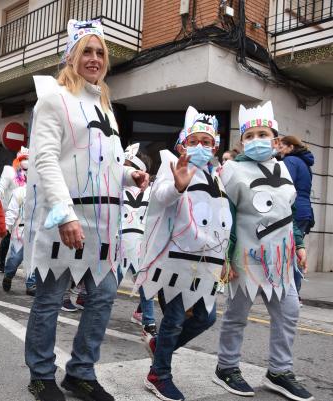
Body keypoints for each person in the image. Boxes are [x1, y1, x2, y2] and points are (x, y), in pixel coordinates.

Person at [23, 19, 149, 401]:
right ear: (72, 57)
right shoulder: (54, 99)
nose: (94, 59)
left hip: (106, 225)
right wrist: (64, 214)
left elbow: (100, 164)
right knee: (48, 300)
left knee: (103, 297)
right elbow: (45, 159)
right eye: (87, 52)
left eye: (100, 53)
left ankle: (81, 372)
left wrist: (130, 176)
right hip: (69, 220)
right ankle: (41, 374)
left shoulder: (106, 106)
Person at [214, 101, 313, 401]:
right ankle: (226, 366)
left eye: (263, 134)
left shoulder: (284, 168)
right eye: (251, 135)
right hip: (245, 259)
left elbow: (291, 211)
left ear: (275, 138)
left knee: (289, 313)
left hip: (281, 261)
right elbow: (225, 216)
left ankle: (279, 371)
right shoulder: (232, 170)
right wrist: (224, 258)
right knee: (237, 315)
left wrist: (300, 245)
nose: (257, 140)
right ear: (242, 141)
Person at [135, 107, 231, 401]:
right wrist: (177, 186)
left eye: (206, 141)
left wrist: (225, 258)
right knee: (175, 319)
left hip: (206, 265)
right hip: (175, 261)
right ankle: (159, 374)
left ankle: (160, 346)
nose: (200, 147)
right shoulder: (172, 164)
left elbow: (221, 220)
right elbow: (160, 198)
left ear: (214, 147)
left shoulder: (217, 176)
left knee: (206, 317)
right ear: (182, 144)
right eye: (194, 141)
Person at [121, 144, 156, 340]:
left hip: (141, 242)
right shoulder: (115, 188)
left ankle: (148, 321)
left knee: (145, 280)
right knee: (109, 282)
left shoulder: (152, 191)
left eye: (129, 165)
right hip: (118, 242)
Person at [277, 135, 315, 299]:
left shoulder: (290, 161)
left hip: (295, 210)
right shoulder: (305, 163)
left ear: (291, 147)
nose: (279, 149)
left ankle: (293, 293)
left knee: (291, 252)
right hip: (305, 211)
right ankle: (293, 291)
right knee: (295, 250)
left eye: (281, 146)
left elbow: (284, 185)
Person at [0, 146, 28, 272]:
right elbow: (1, 187)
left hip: (23, 213)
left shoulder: (31, 174)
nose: (26, 161)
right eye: (24, 158)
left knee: (20, 238)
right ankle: (2, 262)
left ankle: (14, 261)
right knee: (7, 236)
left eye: (28, 158)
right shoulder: (10, 171)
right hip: (9, 209)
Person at [2, 185, 36, 296]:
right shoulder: (20, 192)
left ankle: (31, 284)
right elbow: (12, 211)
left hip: (38, 231)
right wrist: (6, 227)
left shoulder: (46, 189)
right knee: (15, 259)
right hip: (21, 231)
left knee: (34, 259)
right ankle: (8, 274)